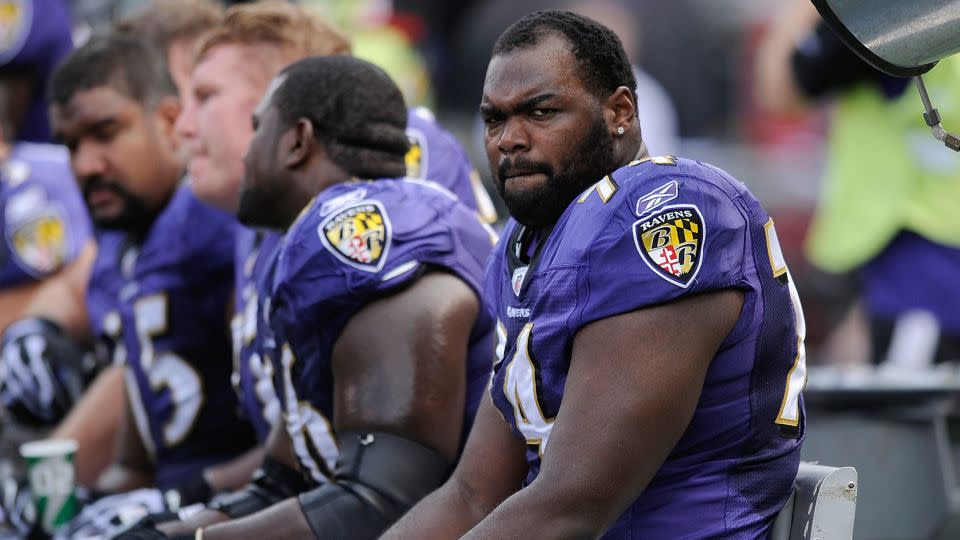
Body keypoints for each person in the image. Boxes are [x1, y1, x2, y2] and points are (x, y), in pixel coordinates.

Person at [383, 10, 805, 538]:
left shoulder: (664, 213)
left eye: (540, 112)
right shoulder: (528, 244)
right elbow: (472, 496)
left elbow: (572, 506)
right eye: (495, 119)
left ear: (619, 112)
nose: (509, 139)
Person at [127, 54, 495, 540]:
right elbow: (283, 481)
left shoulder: (362, 241)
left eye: (259, 128)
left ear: (297, 141)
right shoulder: (313, 245)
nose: (245, 152)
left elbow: (382, 502)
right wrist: (167, 530)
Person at [44, 33, 255, 499]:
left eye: (105, 134)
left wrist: (192, 499)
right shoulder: (127, 229)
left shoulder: (210, 220)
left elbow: (288, 439)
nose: (85, 165)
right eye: (69, 145)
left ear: (169, 121)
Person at [755, 0, 960, 367]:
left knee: (906, 422)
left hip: (920, 262)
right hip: (921, 257)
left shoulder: (902, 10)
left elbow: (780, 87)